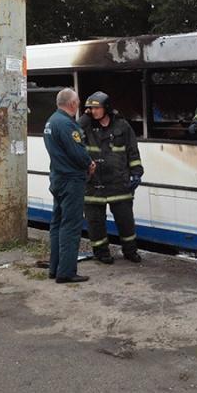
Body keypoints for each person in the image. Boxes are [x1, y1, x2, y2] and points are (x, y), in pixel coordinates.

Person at [79, 91, 144, 264]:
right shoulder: (84, 126)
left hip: (119, 183)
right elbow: (74, 133)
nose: (93, 111)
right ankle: (102, 253)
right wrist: (85, 117)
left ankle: (130, 251)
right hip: (93, 184)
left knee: (126, 222)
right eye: (90, 108)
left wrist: (136, 172)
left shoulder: (122, 127)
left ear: (106, 108)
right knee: (95, 223)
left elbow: (133, 151)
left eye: (96, 108)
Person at [43, 88, 96, 284]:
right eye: (78, 102)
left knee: (56, 224)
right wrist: (89, 164)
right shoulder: (66, 124)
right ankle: (66, 272)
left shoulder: (51, 121)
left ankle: (54, 268)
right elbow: (77, 152)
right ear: (72, 104)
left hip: (57, 179)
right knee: (71, 226)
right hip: (71, 181)